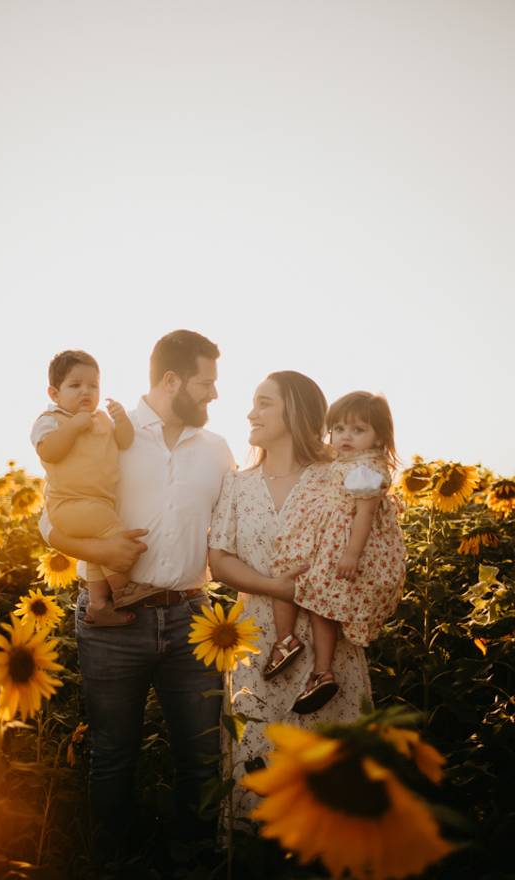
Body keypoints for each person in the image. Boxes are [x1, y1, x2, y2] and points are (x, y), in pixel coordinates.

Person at [40, 332, 297, 859]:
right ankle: (110, 863)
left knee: (202, 755)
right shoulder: (109, 433)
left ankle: (195, 861)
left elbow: (238, 528)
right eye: (206, 383)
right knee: (113, 754)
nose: (215, 396)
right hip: (114, 623)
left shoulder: (216, 450)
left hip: (191, 619)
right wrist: (105, 552)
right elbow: (51, 516)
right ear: (172, 381)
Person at [208, 371, 373, 821]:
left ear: (295, 412)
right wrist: (278, 587)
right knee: (259, 757)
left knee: (330, 766)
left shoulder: (338, 477)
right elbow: (219, 561)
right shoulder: (238, 484)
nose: (250, 412)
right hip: (259, 645)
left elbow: (370, 547)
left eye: (264, 403)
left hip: (329, 649)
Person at [271, 391, 406, 714]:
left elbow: (365, 515)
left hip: (344, 548)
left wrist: (351, 555)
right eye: (340, 428)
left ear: (378, 438)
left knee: (320, 604)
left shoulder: (367, 470)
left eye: (358, 430)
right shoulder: (346, 461)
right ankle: (298, 652)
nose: (346, 436)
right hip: (328, 543)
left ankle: (317, 667)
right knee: (306, 592)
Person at [31, 349, 136, 627]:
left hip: (97, 502)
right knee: (113, 535)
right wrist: (74, 427)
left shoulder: (102, 419)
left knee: (98, 548)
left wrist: (122, 420)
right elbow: (49, 451)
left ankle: (99, 603)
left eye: (93, 385)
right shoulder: (51, 420)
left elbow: (124, 442)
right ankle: (124, 591)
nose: (85, 392)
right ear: (54, 393)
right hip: (69, 504)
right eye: (75, 386)